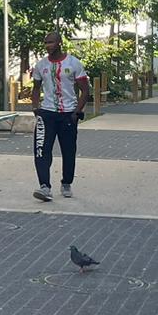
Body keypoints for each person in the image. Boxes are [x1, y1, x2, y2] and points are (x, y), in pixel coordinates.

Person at [29, 31, 90, 202]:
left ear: (59, 43)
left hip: (68, 114)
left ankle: (66, 182)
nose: (48, 46)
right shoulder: (41, 65)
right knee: (41, 150)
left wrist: (77, 111)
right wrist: (36, 108)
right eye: (46, 43)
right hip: (47, 114)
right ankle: (44, 187)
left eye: (51, 42)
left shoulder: (73, 63)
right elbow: (36, 88)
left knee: (68, 151)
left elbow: (85, 90)